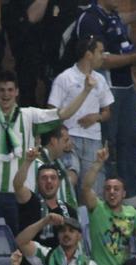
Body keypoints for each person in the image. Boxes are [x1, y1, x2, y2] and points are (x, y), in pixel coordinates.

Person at [0, 66, 86, 240]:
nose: (6, 94)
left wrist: (86, 90)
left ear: (17, 92)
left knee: (27, 243)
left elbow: (64, 113)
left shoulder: (30, 116)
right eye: (2, 90)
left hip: (20, 193)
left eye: (10, 90)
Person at [73, 0, 136, 196]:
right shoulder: (89, 19)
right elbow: (102, 60)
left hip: (125, 88)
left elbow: (119, 23)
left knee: (129, 141)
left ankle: (131, 192)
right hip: (105, 90)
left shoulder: (111, 15)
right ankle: (106, 194)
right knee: (107, 146)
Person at [48, 37, 112, 197]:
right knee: (69, 184)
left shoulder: (101, 79)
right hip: (70, 139)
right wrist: (63, 136)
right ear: (88, 54)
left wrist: (96, 117)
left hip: (94, 140)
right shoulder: (65, 78)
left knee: (93, 191)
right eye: (100, 52)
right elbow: (51, 111)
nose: (103, 56)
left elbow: (107, 112)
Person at [80, 146, 136, 265]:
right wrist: (98, 163)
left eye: (116, 189)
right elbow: (85, 188)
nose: (112, 192)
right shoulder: (97, 208)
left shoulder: (132, 212)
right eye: (108, 189)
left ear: (124, 193)